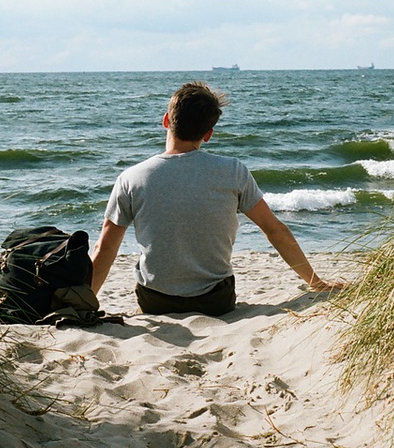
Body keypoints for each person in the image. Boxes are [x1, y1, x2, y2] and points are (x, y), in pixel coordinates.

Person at [90, 81, 344, 316]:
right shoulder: (233, 171)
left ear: (166, 120)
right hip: (216, 301)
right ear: (208, 134)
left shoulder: (131, 178)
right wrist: (316, 282)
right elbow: (274, 229)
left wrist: (85, 301)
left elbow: (106, 248)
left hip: (156, 301)